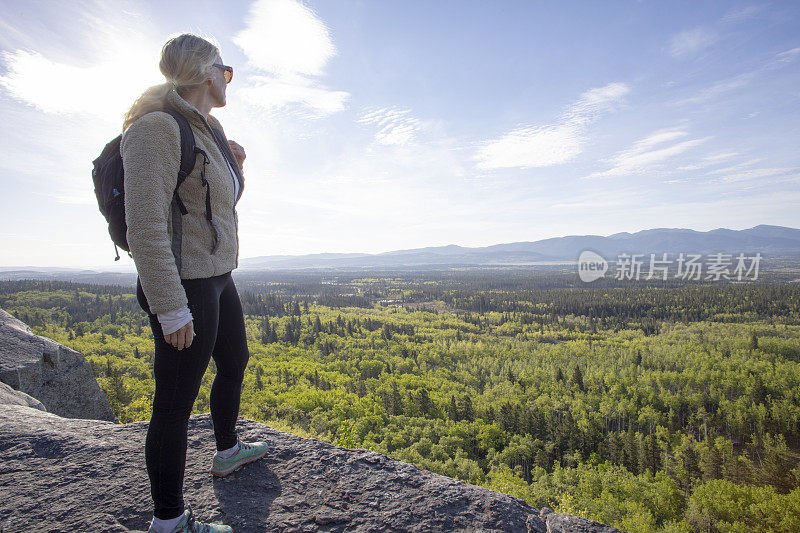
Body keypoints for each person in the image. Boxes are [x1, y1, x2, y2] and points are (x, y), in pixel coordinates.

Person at [122, 33, 267, 533]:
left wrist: (236, 166)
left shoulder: (208, 129)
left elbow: (214, 210)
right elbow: (143, 224)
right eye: (226, 71)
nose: (229, 80)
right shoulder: (157, 128)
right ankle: (169, 523)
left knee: (234, 362)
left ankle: (226, 451)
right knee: (175, 403)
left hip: (218, 276)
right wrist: (170, 306)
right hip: (186, 285)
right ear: (207, 72)